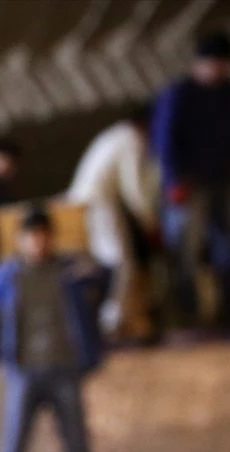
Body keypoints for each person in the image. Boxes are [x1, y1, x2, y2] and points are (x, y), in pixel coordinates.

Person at [0, 208, 110, 452]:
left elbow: (103, 275)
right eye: (31, 235)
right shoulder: (11, 275)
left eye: (42, 235)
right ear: (21, 240)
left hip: (64, 368)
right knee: (12, 450)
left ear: (50, 238)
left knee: (78, 447)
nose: (37, 242)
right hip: (25, 371)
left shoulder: (68, 271)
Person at [152, 31, 230, 329]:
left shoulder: (227, 92)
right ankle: (187, 316)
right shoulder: (179, 94)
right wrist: (174, 181)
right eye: (219, 64)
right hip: (188, 185)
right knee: (186, 249)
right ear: (204, 63)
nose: (223, 71)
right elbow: (164, 142)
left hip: (222, 178)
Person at [66, 104, 159, 339]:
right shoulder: (131, 139)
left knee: (102, 263)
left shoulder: (114, 135)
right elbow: (134, 187)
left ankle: (102, 318)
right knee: (120, 263)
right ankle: (111, 322)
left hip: (88, 203)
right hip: (99, 205)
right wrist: (149, 220)